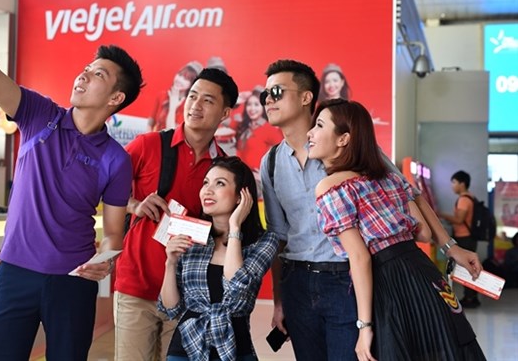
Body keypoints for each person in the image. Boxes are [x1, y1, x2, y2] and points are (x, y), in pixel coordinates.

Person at [0, 0, 144, 360]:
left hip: (73, 281)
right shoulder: (38, 114)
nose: (83, 76)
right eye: (85, 69)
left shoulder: (115, 159)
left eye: (98, 74)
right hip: (14, 272)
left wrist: (107, 259)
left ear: (116, 99)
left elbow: (115, 230)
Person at [259, 59, 483, 361]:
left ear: (305, 97)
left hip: (347, 281)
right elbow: (278, 235)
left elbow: (410, 193)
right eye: (265, 95)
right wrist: (279, 301)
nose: (268, 100)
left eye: (276, 91)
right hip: (297, 282)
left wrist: (450, 246)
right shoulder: (270, 163)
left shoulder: (350, 151)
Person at [308, 98, 485, 360]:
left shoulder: (331, 187)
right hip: (424, 275)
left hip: (388, 283)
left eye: (319, 125)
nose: (310, 133)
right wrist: (449, 247)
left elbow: (360, 257)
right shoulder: (389, 179)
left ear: (343, 139)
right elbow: (423, 233)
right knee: (444, 348)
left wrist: (364, 327)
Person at [114, 68, 239, 361]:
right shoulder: (148, 145)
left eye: (208, 100)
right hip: (136, 288)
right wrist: (134, 205)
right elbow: (100, 187)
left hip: (191, 296)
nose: (195, 105)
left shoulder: (224, 167)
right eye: (192, 96)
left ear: (225, 113)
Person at [159, 156, 278, 361]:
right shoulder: (192, 236)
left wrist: (235, 226)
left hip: (235, 349)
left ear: (241, 196)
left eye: (219, 183)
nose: (208, 190)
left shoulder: (264, 241)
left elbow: (237, 288)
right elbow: (171, 308)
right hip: (186, 349)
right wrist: (170, 263)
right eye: (206, 183)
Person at [439, 170, 481, 308]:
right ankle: (471, 297)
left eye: (454, 182)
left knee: (466, 269)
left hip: (464, 238)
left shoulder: (463, 199)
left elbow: (459, 219)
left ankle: (469, 298)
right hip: (469, 237)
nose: (452, 185)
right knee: (468, 267)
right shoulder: (470, 197)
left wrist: (439, 215)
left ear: (462, 183)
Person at [149, 61, 203, 132]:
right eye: (180, 75)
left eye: (186, 79)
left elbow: (171, 133)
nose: (180, 80)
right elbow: (151, 122)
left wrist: (172, 107)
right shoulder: (162, 95)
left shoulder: (190, 106)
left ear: (192, 84)